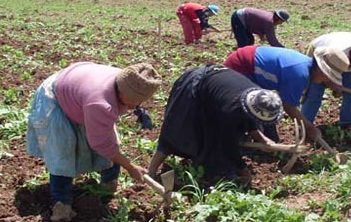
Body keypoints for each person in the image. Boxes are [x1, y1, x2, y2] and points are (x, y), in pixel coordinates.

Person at [26, 62, 161, 222]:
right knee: (62, 151)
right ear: (122, 93)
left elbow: (108, 141)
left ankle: (108, 184)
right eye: (134, 102)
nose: (135, 106)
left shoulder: (130, 79)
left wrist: (138, 109)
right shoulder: (100, 103)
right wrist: (130, 167)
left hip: (79, 90)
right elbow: (102, 144)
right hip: (55, 97)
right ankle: (61, 203)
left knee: (112, 141)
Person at [147, 65, 282, 184]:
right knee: (176, 131)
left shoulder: (255, 95)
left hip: (213, 92)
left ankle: (203, 163)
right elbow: (227, 144)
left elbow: (249, 118)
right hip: (194, 84)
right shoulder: (231, 110)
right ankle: (151, 171)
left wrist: (263, 139)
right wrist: (243, 169)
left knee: (211, 136)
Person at [223, 45, 348, 143]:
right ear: (321, 69)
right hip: (240, 66)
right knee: (249, 108)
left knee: (268, 125)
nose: (326, 81)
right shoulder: (299, 74)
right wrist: (310, 128)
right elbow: (288, 106)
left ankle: (263, 137)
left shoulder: (306, 66)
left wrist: (333, 85)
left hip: (252, 67)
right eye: (328, 77)